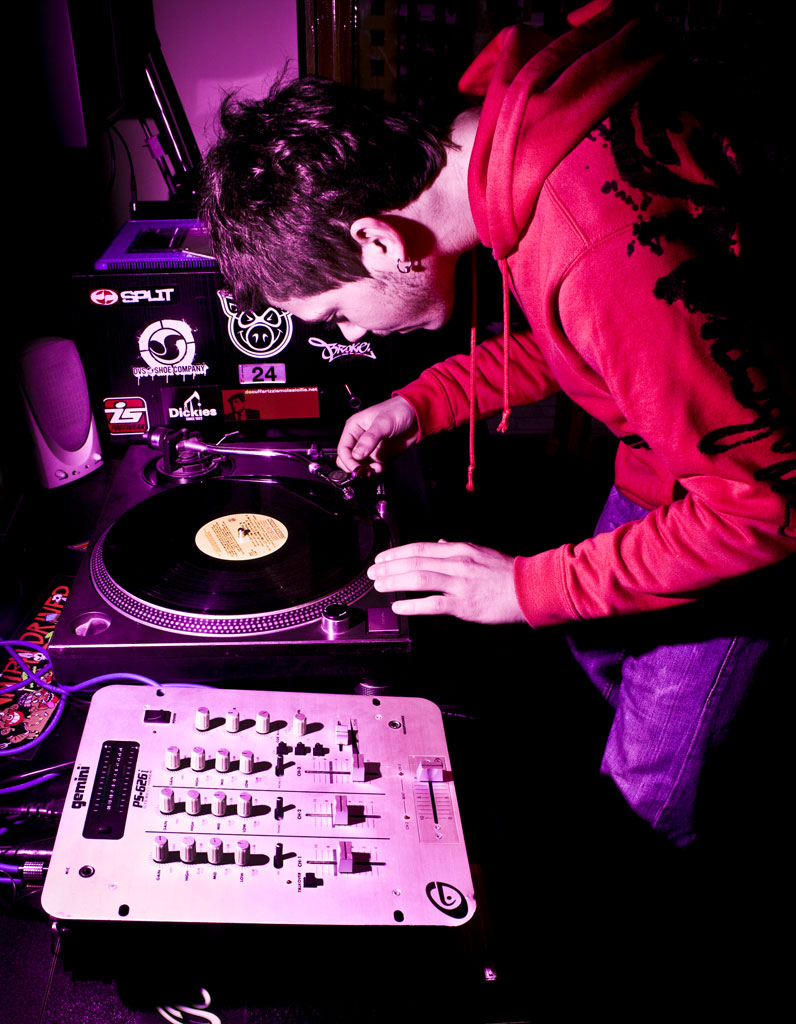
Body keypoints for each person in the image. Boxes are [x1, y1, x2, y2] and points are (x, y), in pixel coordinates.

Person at [201, 0, 794, 847]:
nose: (354, 336)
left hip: (728, 510)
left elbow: (763, 508)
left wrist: (522, 589)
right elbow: (593, 346)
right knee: (597, 648)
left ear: (376, 242)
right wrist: (423, 402)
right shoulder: (507, 145)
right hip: (663, 467)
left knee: (645, 788)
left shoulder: (597, 243)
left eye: (336, 313)